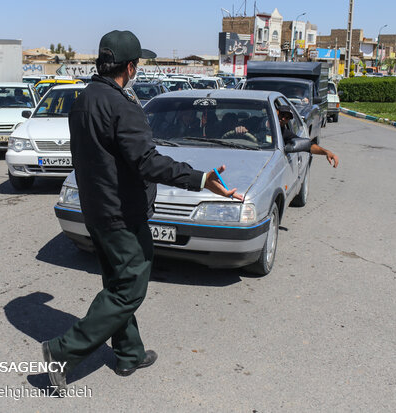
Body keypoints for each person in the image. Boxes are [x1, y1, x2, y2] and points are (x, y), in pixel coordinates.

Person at [41, 30, 243, 389]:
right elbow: (147, 162)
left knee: (117, 283)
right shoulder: (123, 105)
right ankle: (62, 351)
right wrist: (199, 179)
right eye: (138, 64)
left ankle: (128, 353)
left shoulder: (85, 98)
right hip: (122, 213)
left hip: (96, 208)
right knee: (129, 289)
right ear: (130, 67)